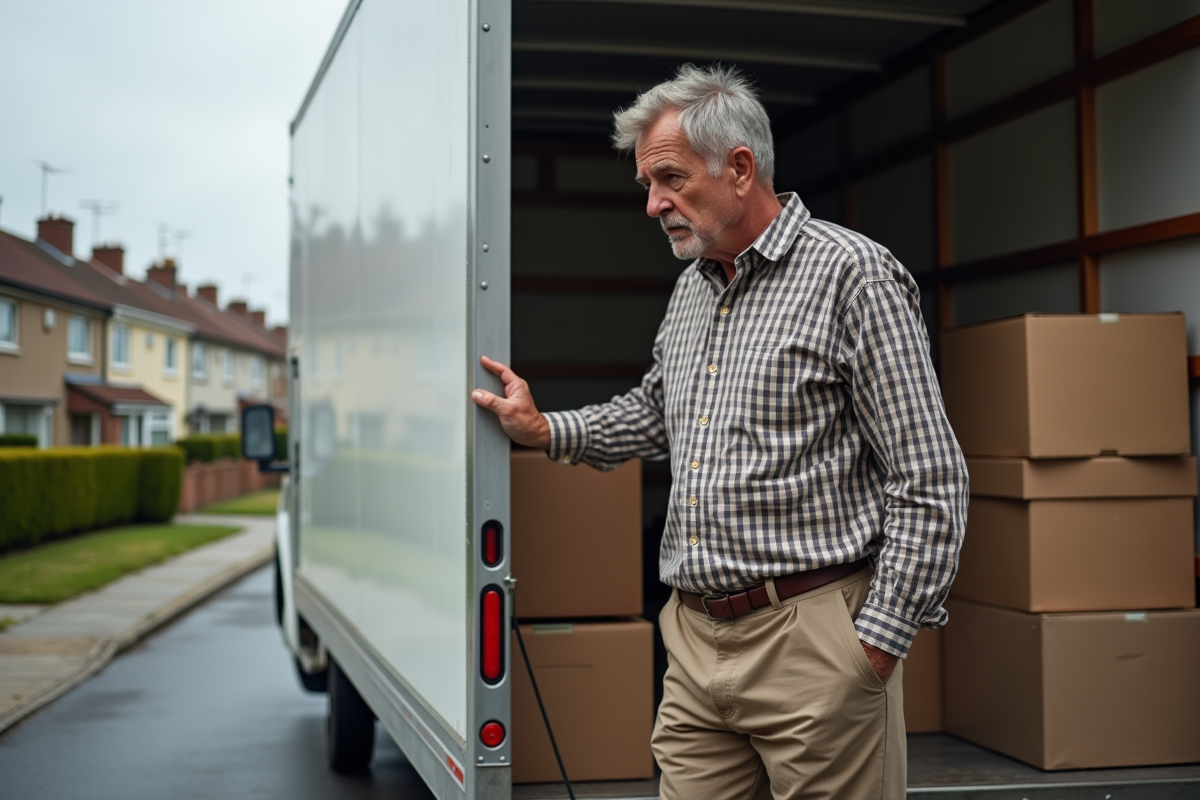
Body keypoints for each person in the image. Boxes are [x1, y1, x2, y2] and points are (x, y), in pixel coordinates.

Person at [472, 63, 968, 799]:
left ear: (740, 169)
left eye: (668, 178)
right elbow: (653, 414)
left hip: (813, 639)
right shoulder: (694, 286)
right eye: (646, 185)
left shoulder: (852, 275)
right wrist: (544, 428)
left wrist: (875, 645)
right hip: (695, 642)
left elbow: (929, 478)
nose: (653, 204)